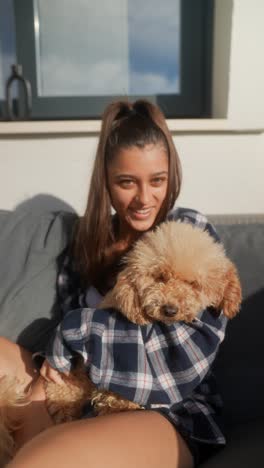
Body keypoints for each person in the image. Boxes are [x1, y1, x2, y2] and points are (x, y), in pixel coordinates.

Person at [0, 100, 227, 468]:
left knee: (35, 460)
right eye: (126, 182)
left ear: (171, 176)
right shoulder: (88, 243)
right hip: (83, 395)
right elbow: (62, 350)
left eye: (157, 180)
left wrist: (75, 335)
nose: (144, 198)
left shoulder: (188, 232)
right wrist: (51, 370)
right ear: (106, 180)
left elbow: (177, 363)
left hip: (166, 411)